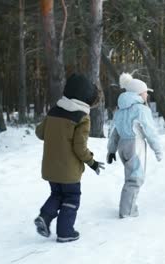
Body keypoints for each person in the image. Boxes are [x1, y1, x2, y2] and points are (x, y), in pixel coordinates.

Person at [34, 73, 105, 243]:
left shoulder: (54, 110)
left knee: (57, 194)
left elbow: (39, 133)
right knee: (71, 198)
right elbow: (79, 147)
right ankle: (65, 232)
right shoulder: (82, 117)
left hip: (51, 167)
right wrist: (92, 162)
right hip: (69, 171)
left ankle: (45, 216)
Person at [107, 73, 162, 218]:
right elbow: (150, 131)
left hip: (122, 146)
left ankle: (128, 204)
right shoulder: (141, 109)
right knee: (135, 178)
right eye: (145, 93)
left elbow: (115, 132)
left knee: (130, 176)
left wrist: (111, 150)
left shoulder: (120, 110)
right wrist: (157, 150)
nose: (146, 95)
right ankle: (127, 211)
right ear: (138, 93)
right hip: (135, 146)